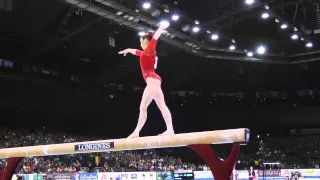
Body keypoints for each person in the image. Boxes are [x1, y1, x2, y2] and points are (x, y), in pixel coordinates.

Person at [118, 23, 174, 138]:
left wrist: (161, 28)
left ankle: (136, 132)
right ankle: (170, 129)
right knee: (162, 105)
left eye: (141, 41)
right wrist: (128, 50)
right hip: (155, 80)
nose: (140, 44)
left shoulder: (150, 50)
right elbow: (136, 52)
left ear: (145, 42)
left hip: (152, 80)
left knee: (143, 107)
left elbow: (155, 38)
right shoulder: (145, 53)